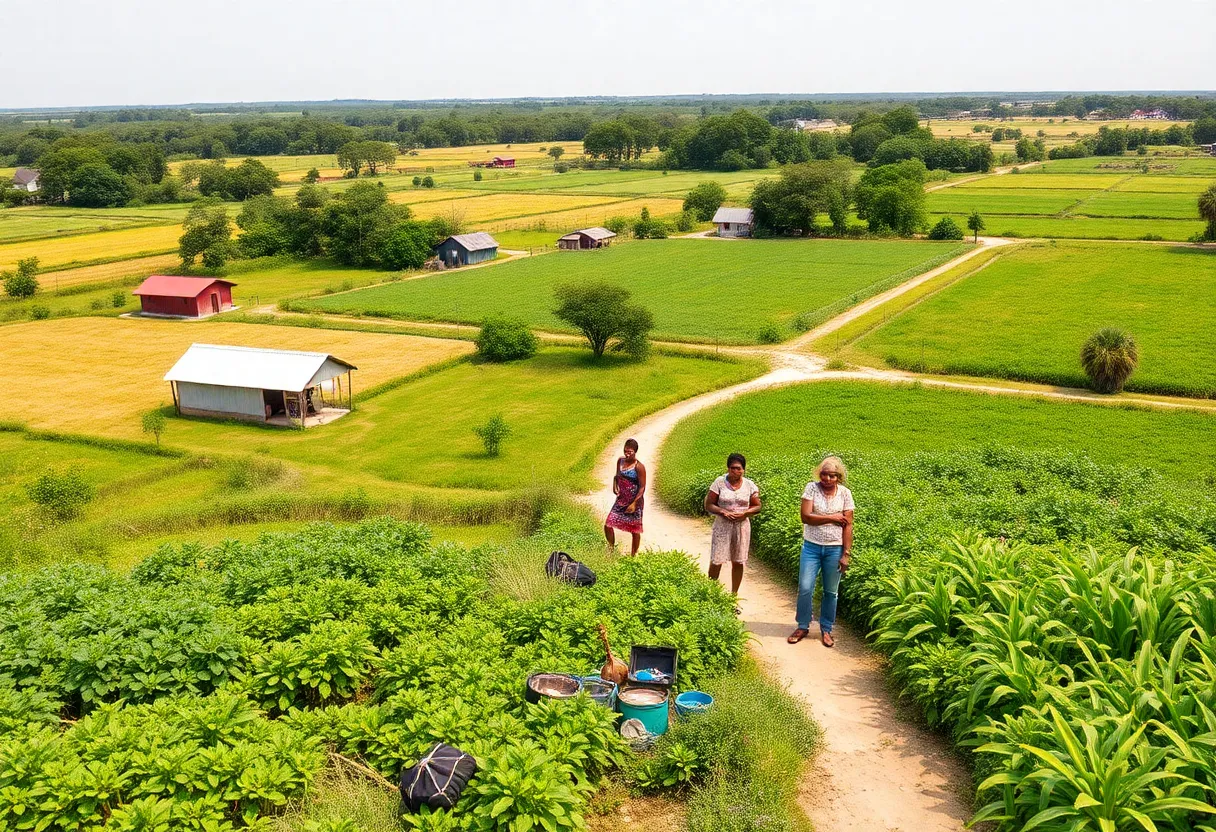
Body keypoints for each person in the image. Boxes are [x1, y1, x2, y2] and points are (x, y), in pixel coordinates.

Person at [788, 456, 854, 648]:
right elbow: (806, 517)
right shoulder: (811, 488)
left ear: (838, 477)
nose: (827, 479)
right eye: (824, 474)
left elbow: (848, 525)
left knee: (831, 592)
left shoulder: (845, 494)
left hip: (835, 549)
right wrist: (832, 517)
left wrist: (846, 553)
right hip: (811, 547)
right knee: (805, 587)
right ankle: (802, 625)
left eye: (832, 476)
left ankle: (826, 628)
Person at [704, 453, 761, 596]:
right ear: (728, 468)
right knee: (717, 559)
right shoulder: (719, 482)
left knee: (738, 561)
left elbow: (757, 506)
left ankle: (733, 596)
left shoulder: (749, 485)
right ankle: (711, 593)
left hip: (741, 527)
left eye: (739, 469)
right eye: (733, 468)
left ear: (744, 469)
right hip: (722, 526)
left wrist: (745, 513)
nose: (736, 472)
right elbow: (709, 504)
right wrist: (723, 511)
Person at [605, 438, 646, 555]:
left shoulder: (639, 467)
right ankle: (611, 549)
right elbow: (617, 476)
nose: (627, 454)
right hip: (621, 500)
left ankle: (633, 555)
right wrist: (615, 486)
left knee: (635, 530)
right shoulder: (620, 461)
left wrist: (634, 503)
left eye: (630, 452)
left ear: (635, 452)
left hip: (634, 502)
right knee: (608, 524)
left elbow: (642, 487)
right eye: (625, 451)